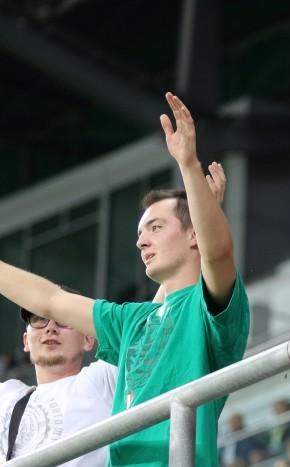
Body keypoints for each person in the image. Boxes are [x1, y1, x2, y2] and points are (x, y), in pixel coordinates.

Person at [0, 92, 250, 466]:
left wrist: (187, 165)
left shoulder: (210, 311)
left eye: (155, 227)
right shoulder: (133, 321)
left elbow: (217, 254)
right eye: (140, 232)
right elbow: (50, 300)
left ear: (194, 234)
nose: (141, 241)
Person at [0, 301, 116, 464]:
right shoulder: (6, 393)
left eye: (64, 318)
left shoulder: (101, 380)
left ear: (88, 339)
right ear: (26, 341)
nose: (50, 328)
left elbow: (145, 328)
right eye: (39, 319)